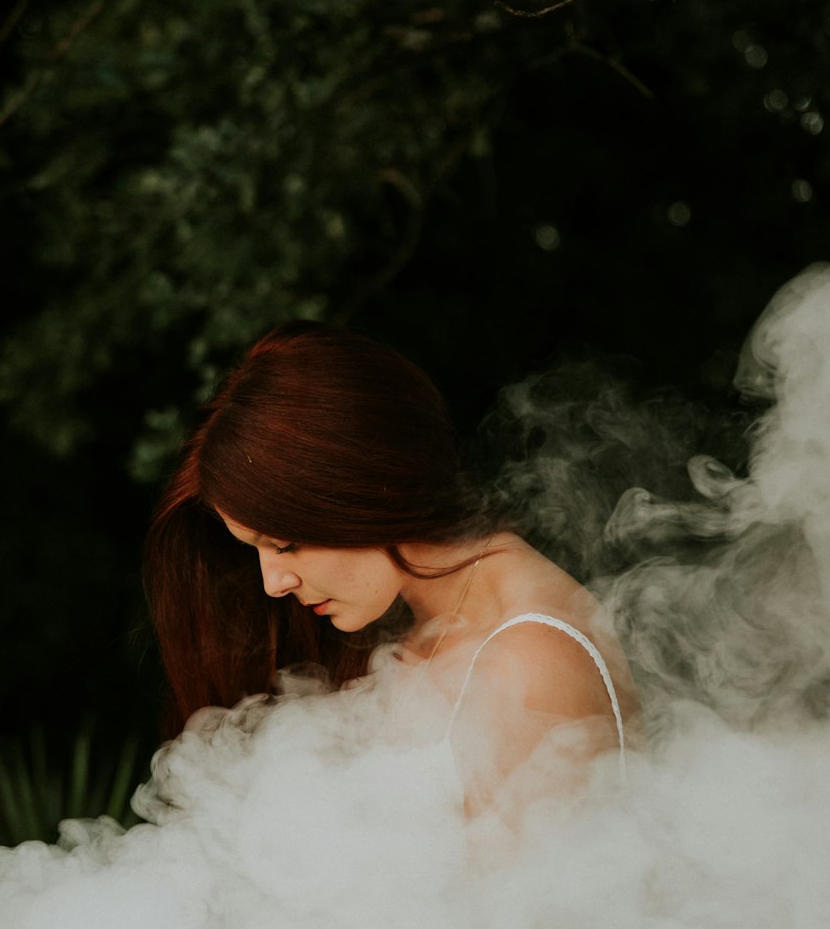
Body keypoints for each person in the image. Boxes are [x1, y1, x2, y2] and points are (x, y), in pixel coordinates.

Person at [144, 319, 635, 818]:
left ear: (364, 484)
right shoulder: (422, 621)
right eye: (257, 551)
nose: (273, 584)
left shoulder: (531, 658)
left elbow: (536, 895)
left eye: (286, 544)